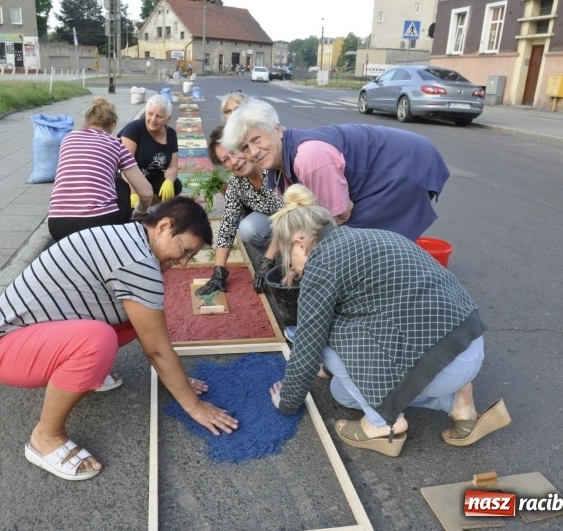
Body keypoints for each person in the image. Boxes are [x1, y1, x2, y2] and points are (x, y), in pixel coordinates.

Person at [0, 197, 239, 481]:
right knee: (97, 341)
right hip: (3, 350)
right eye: (184, 251)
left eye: (190, 257)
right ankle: (45, 437)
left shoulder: (129, 236)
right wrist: (194, 405)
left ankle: (83, 371)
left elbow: (150, 331)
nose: (183, 263)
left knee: (137, 319)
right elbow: (158, 351)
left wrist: (174, 379)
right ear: (164, 226)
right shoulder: (139, 262)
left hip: (17, 334)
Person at [267, 185, 510, 457]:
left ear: (300, 243)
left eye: (291, 260)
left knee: (317, 339)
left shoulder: (321, 263)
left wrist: (286, 401)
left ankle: (380, 425)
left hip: (440, 365)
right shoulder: (369, 236)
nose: (295, 270)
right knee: (342, 393)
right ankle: (456, 403)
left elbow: (309, 349)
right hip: (468, 342)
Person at [222, 97, 450, 242]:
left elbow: (340, 215)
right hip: (394, 165)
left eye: (256, 139)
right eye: (245, 147)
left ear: (277, 128)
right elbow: (300, 214)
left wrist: (306, 250)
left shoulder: (309, 158)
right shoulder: (277, 164)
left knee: (356, 240)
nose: (254, 151)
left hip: (406, 166)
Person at [47, 97, 153, 242]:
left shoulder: (67, 139)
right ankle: (122, 239)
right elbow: (147, 194)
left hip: (57, 224)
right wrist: (140, 211)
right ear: (112, 126)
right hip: (99, 223)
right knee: (119, 181)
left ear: (85, 121)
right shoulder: (116, 144)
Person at [196, 125, 284, 297]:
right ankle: (278, 261)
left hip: (298, 220)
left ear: (244, 146)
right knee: (247, 228)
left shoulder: (271, 168)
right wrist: (218, 272)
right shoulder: (236, 183)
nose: (234, 162)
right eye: (226, 160)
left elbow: (290, 216)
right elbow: (228, 225)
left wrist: (266, 262)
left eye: (234, 152)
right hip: (274, 223)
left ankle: (275, 261)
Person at [118, 95, 181, 209]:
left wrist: (169, 181)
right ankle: (136, 205)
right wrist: (133, 193)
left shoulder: (171, 134)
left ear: (168, 119)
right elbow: (125, 166)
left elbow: (172, 166)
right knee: (127, 204)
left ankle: (148, 206)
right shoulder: (133, 129)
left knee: (176, 185)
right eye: (150, 114)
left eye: (159, 116)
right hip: (129, 178)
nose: (153, 119)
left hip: (151, 177)